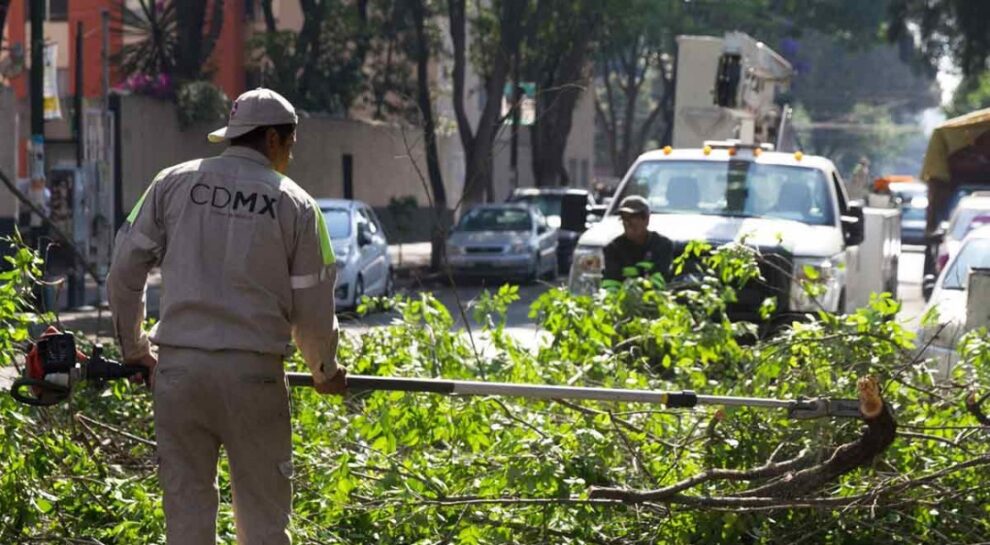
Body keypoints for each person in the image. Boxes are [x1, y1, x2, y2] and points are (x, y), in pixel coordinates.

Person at [107, 88, 346, 545]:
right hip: (252, 378)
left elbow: (123, 270)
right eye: (292, 143)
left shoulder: (171, 183)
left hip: (178, 375)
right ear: (275, 139)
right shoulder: (297, 205)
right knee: (263, 522)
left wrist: (136, 350)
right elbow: (313, 307)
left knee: (188, 521)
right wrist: (324, 369)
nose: (291, 154)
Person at [603, 195, 674, 282]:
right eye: (624, 218)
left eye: (633, 218)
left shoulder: (663, 245)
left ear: (646, 219)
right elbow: (611, 280)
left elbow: (662, 277)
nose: (627, 223)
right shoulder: (613, 248)